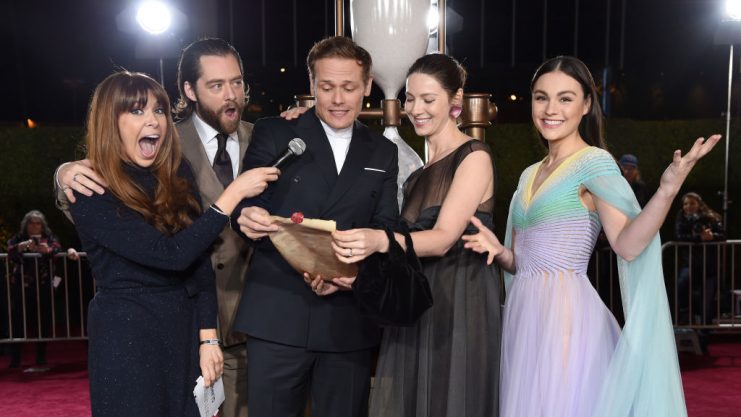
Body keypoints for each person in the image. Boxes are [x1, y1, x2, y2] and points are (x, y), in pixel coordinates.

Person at [461, 56, 720, 417]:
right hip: (525, 318)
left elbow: (628, 246)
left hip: (567, 321)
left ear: (585, 105)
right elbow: (524, 263)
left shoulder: (594, 162)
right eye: (541, 97)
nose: (551, 109)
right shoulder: (528, 174)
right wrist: (499, 251)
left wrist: (667, 189)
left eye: (565, 98)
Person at [56, 38, 253, 417]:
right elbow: (172, 255)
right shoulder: (91, 187)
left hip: (181, 336)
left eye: (159, 110)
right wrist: (230, 198)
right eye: (136, 111)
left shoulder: (175, 174)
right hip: (126, 341)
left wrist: (207, 337)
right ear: (110, 122)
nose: (153, 120)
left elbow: (198, 263)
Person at [307, 53, 501, 417]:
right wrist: (349, 278)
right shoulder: (415, 175)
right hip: (416, 304)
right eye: (411, 98)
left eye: (429, 99)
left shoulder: (475, 157)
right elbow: (404, 254)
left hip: (458, 302)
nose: (416, 109)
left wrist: (379, 239)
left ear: (455, 101)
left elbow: (443, 238)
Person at [233, 36, 399, 417]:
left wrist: (350, 271)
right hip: (278, 312)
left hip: (347, 319)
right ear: (311, 85)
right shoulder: (275, 132)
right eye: (326, 87)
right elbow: (246, 203)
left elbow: (385, 226)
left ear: (367, 85)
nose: (338, 99)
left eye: (349, 87)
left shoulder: (382, 151)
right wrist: (246, 218)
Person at [5, 210, 78, 369]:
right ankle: (15, 359)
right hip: (22, 287)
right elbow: (9, 249)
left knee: (43, 321)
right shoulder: (19, 238)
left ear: (42, 225)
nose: (35, 226)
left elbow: (58, 249)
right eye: (31, 222)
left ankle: (41, 357)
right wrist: (19, 247)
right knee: (18, 321)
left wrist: (48, 250)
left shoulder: (50, 238)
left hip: (45, 285)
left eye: (38, 223)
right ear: (26, 224)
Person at [675, 192, 725, 326]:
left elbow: (723, 234)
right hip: (691, 264)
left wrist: (712, 236)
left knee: (707, 302)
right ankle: (685, 315)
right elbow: (680, 236)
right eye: (685, 204)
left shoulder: (711, 217)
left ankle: (704, 334)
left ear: (699, 204)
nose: (688, 206)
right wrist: (698, 238)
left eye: (692, 203)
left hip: (710, 267)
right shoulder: (682, 218)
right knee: (682, 284)